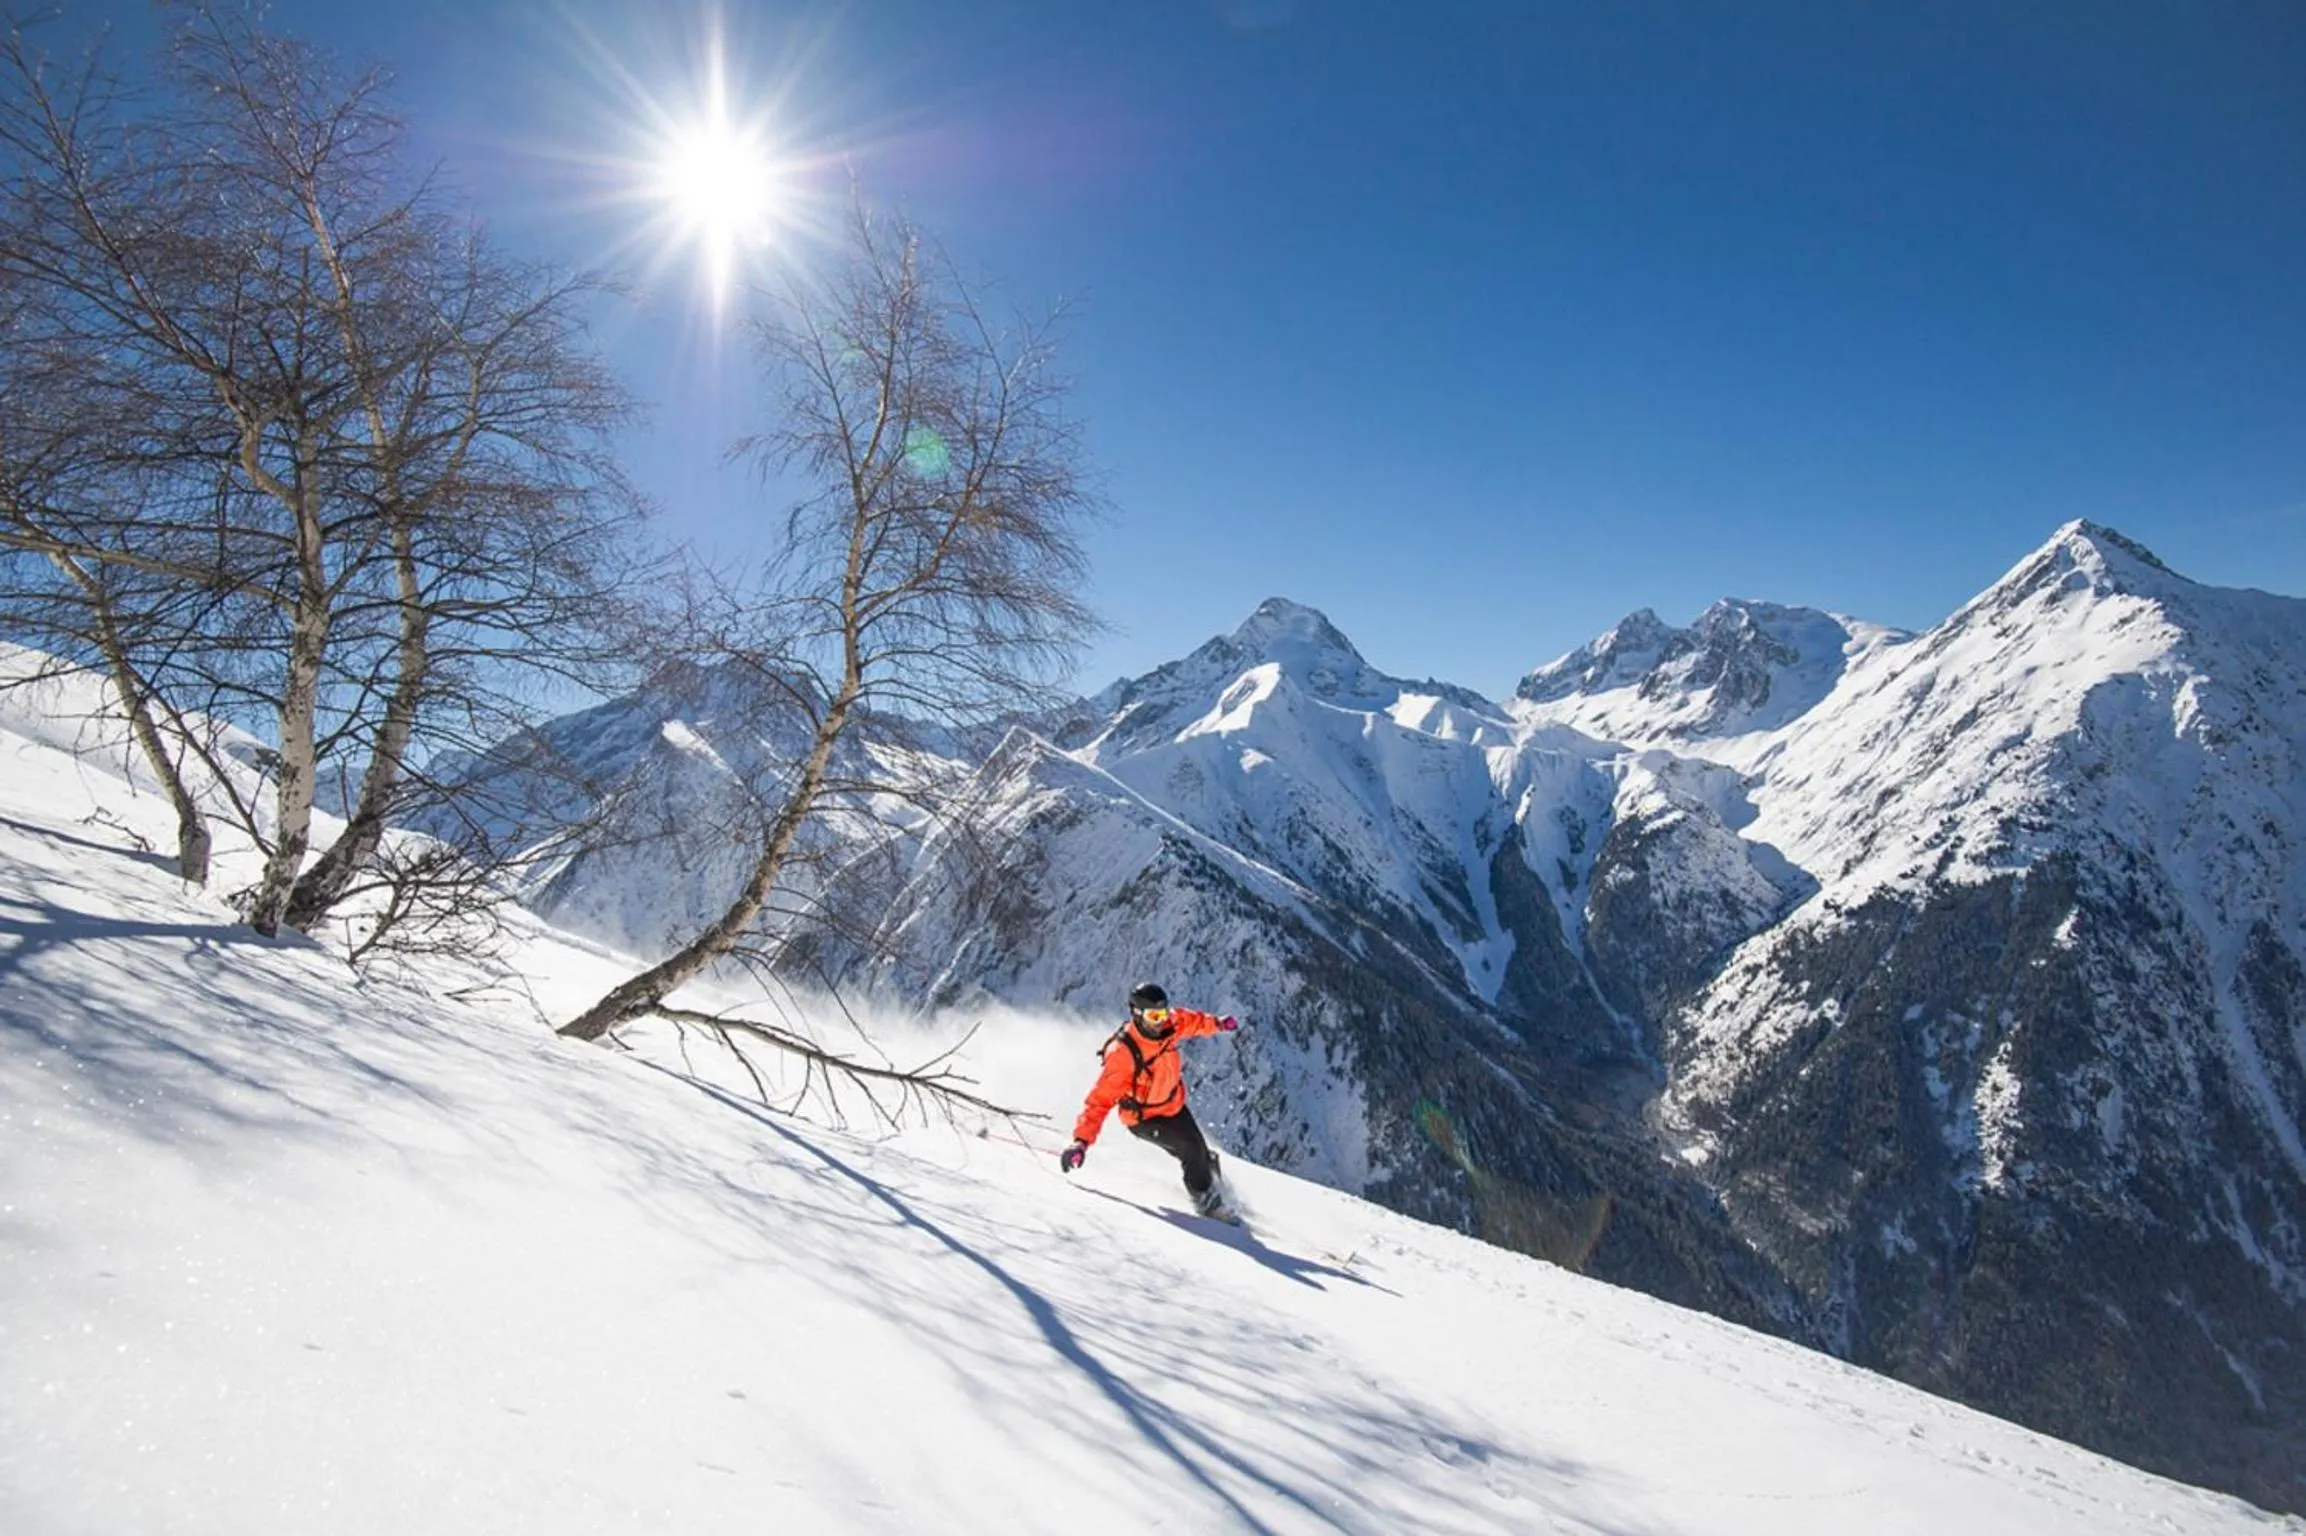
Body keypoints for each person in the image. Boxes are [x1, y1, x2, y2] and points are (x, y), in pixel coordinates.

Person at [1060, 981, 1243, 1219]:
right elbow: (1100, 1100)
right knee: (1191, 1149)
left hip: (1172, 1104)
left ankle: (1214, 1184)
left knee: (1202, 1154)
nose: (1161, 1021)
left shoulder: (1169, 1024)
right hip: (1144, 1117)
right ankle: (1206, 1201)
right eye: (1154, 1015)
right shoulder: (1123, 1053)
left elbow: (1191, 1021)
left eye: (1163, 1013)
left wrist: (1217, 1023)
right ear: (1137, 1014)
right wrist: (1081, 1142)